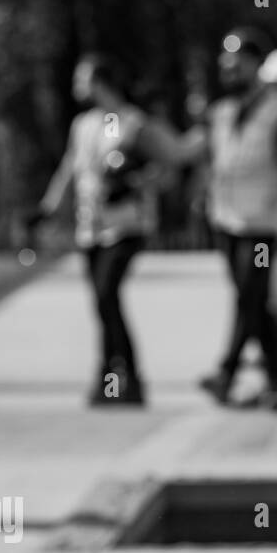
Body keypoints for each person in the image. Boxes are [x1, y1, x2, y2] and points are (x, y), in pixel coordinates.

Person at [33, 54, 202, 406]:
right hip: (90, 228)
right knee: (102, 304)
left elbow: (171, 164)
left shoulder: (133, 123)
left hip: (125, 225)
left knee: (107, 294)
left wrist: (139, 180)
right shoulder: (83, 125)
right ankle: (111, 382)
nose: (76, 84)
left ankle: (126, 379)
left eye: (82, 77)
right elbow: (70, 171)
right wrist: (46, 210)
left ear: (99, 81)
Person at [199, 31, 277, 407]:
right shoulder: (222, 112)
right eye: (225, 64)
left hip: (263, 226)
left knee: (249, 295)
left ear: (257, 64)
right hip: (227, 221)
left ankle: (227, 372)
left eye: (237, 63)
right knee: (253, 301)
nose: (229, 70)